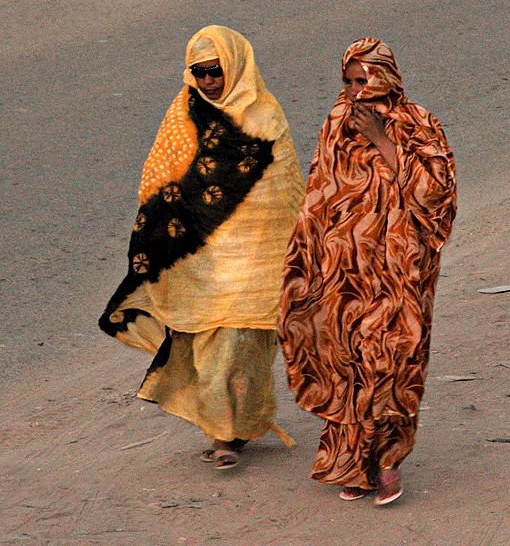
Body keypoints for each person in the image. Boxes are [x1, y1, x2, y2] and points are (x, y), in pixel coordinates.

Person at [99, 25, 304, 469]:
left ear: (236, 67)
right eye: (200, 72)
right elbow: (160, 183)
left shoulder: (267, 118)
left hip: (255, 262)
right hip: (203, 262)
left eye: (217, 71)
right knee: (210, 353)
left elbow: (285, 193)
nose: (209, 81)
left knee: (244, 350)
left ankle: (238, 428)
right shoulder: (183, 116)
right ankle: (222, 434)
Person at [278, 37, 457, 504]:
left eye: (365, 80)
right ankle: (357, 465)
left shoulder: (418, 125)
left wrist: (382, 140)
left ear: (388, 77)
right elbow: (320, 193)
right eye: (349, 81)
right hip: (345, 275)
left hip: (400, 273)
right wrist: (307, 259)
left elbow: (436, 195)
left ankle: (390, 460)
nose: (357, 91)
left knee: (393, 360)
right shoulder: (337, 123)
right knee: (348, 364)